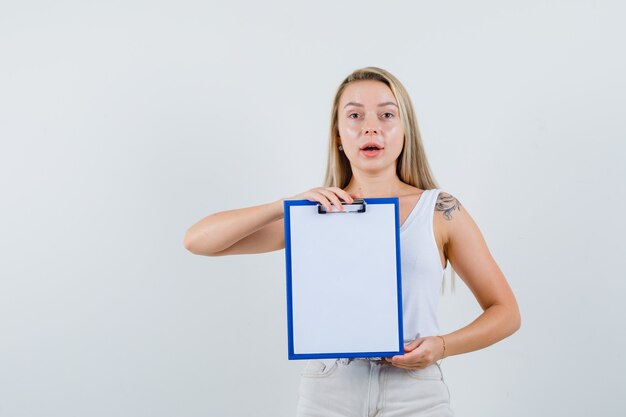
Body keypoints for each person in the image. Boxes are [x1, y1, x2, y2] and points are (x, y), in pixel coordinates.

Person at [183, 66, 521, 416]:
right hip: (330, 388)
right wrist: (283, 206)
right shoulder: (314, 215)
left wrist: (443, 346)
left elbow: (506, 312)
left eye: (387, 114)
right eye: (355, 115)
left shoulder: (438, 210)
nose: (371, 126)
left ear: (405, 131)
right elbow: (198, 241)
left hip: (416, 390)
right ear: (339, 136)